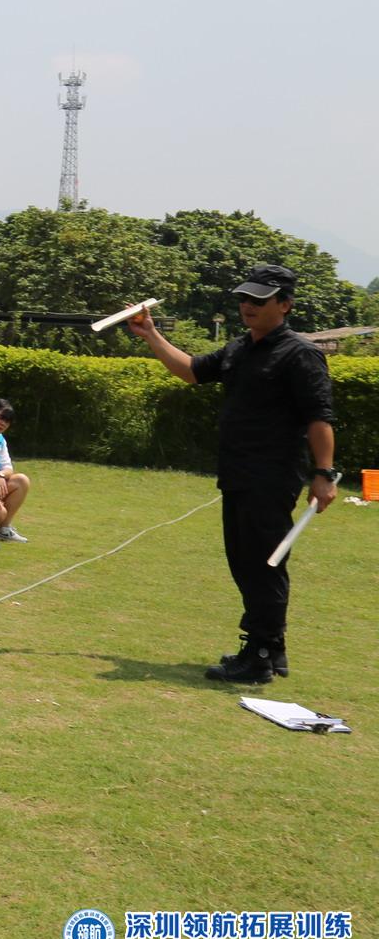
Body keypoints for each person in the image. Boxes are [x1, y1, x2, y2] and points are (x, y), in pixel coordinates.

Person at [129, 264, 337, 684]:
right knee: (246, 564)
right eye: (244, 298)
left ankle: (258, 656)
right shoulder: (240, 348)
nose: (247, 306)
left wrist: (324, 473)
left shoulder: (300, 353)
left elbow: (320, 417)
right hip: (238, 474)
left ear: (285, 304)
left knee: (263, 566)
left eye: (259, 300)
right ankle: (272, 647)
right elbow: (191, 370)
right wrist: (151, 334)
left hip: (271, 477)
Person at [0, 398, 33, 542]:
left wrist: (0, 475)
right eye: (0, 417)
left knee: (21, 480)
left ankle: (3, 530)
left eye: (7, 421)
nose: (3, 423)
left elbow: (8, 467)